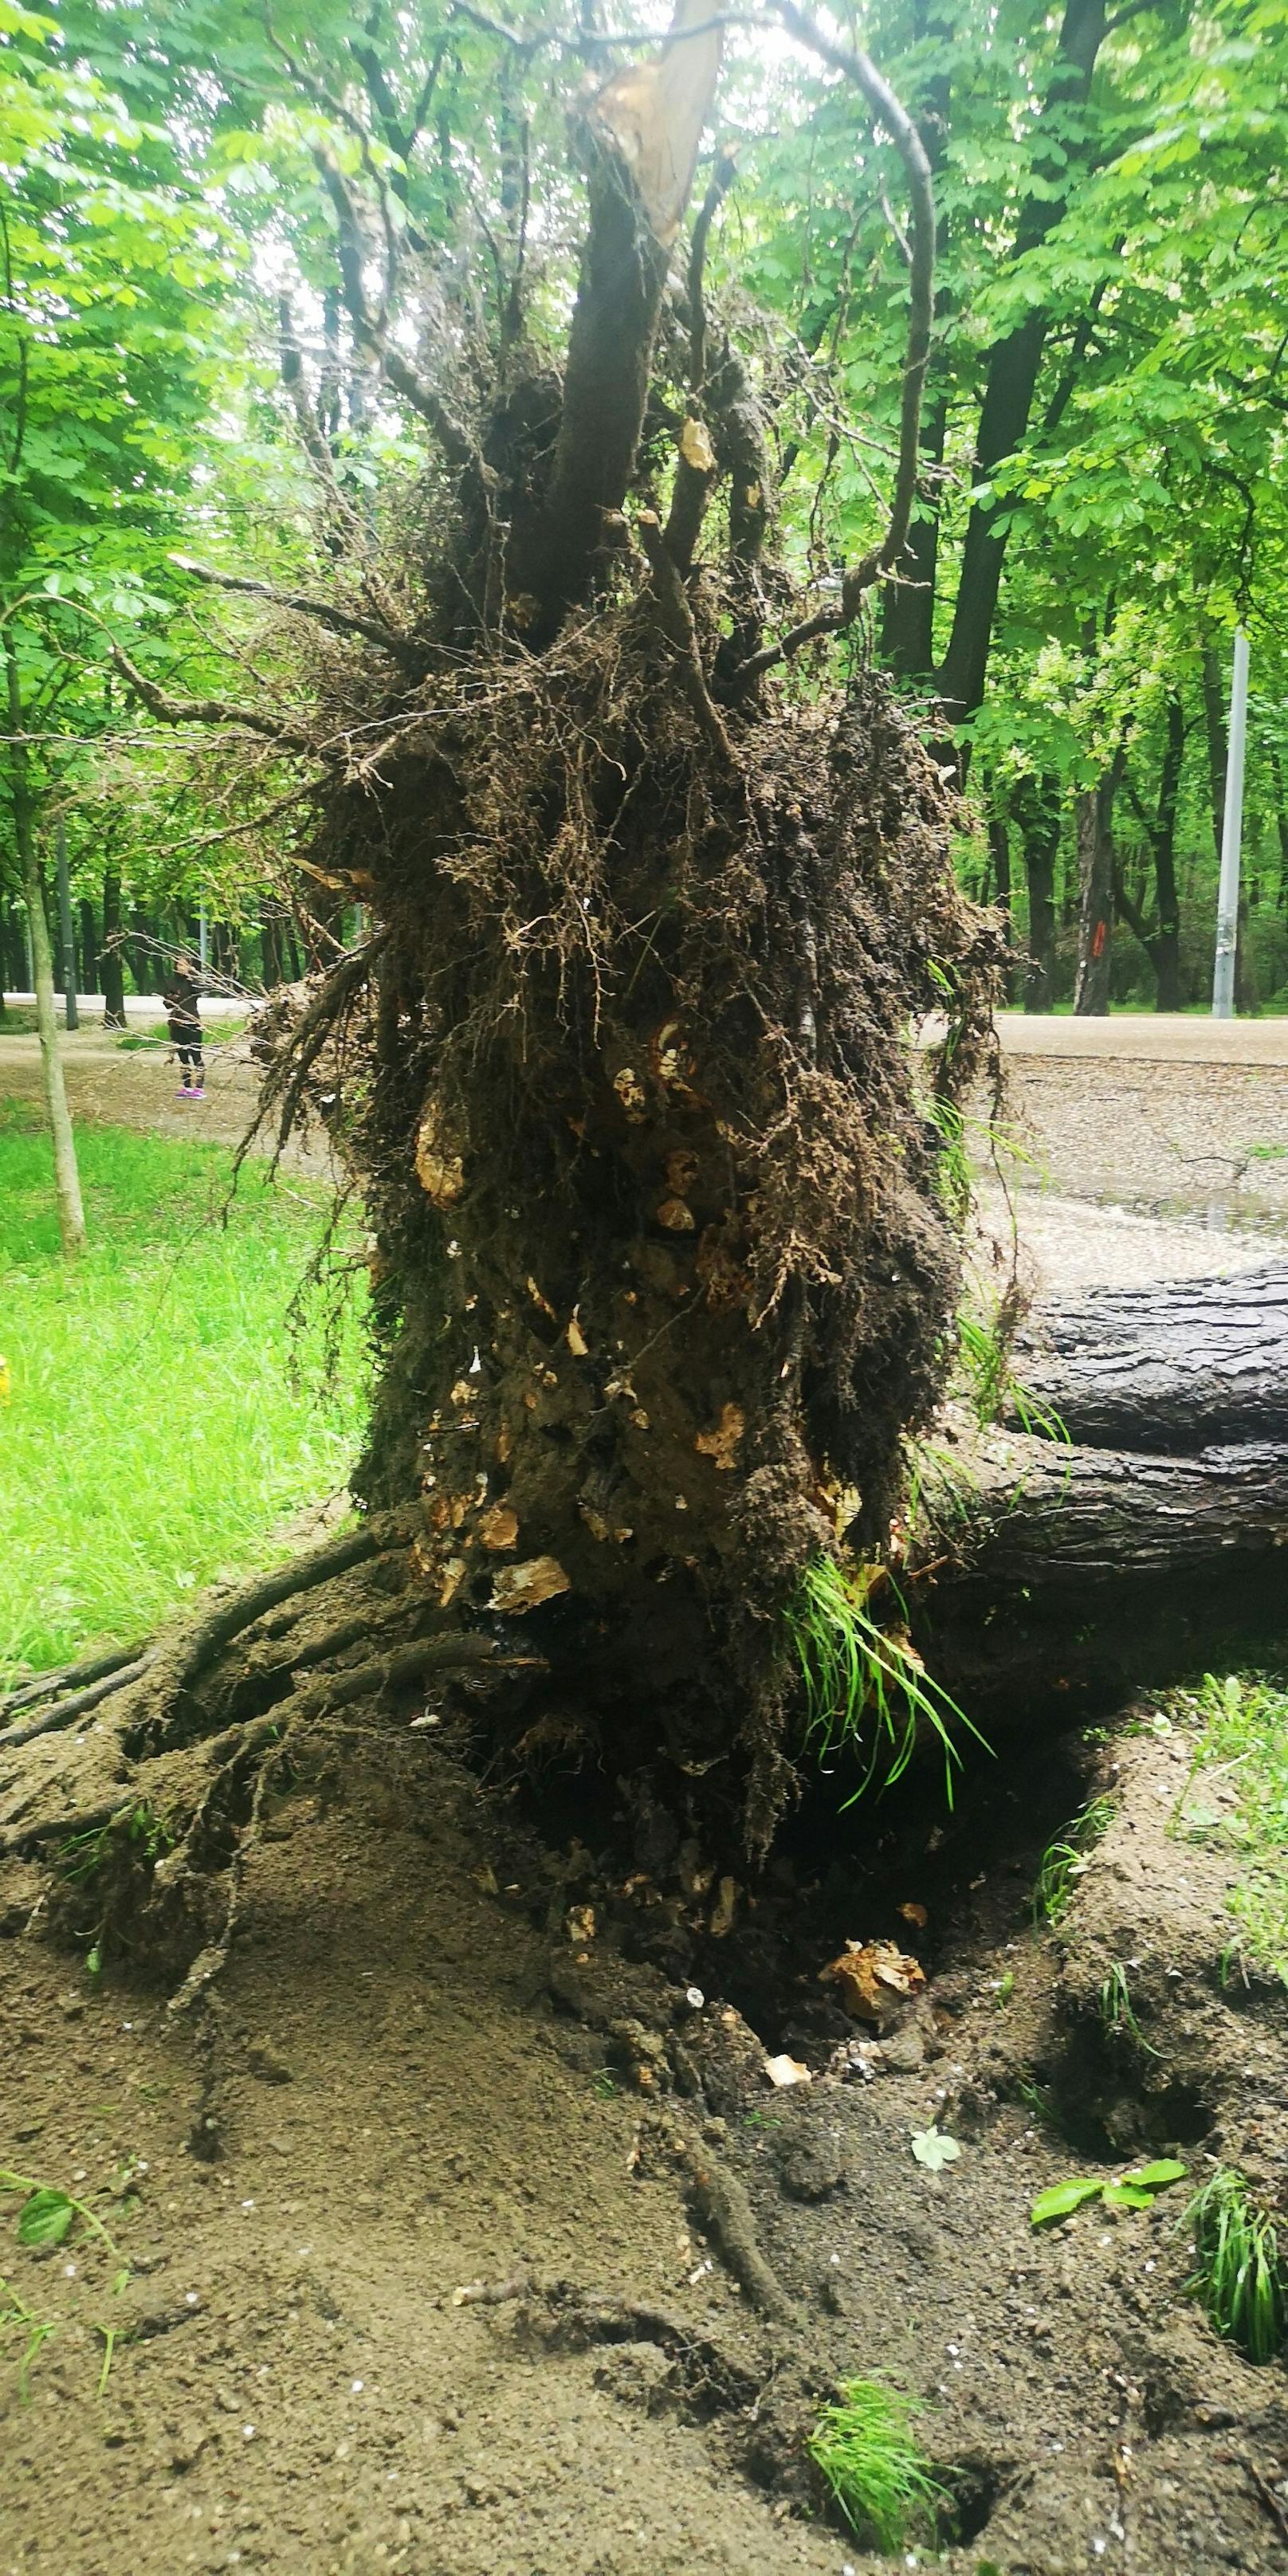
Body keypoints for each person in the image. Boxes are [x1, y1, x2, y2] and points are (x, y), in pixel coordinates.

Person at [164, 955, 205, 1098]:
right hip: (176, 1022)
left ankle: (199, 1088)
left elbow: (199, 992)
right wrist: (171, 999)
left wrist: (191, 977)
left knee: (196, 1054)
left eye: (184, 965)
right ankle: (186, 1087)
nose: (181, 968)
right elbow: (166, 1002)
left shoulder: (193, 981)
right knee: (183, 1055)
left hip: (192, 1022)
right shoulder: (171, 982)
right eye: (179, 965)